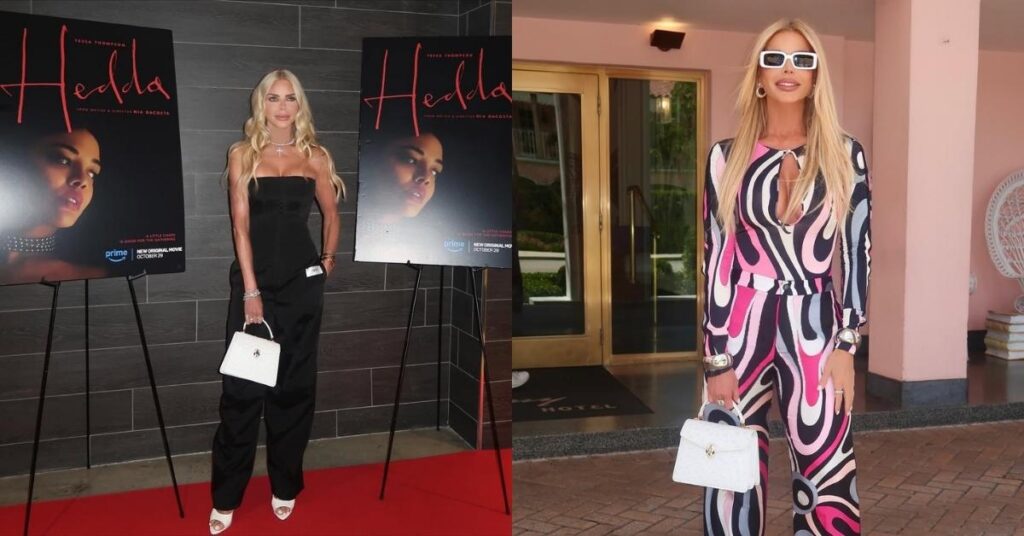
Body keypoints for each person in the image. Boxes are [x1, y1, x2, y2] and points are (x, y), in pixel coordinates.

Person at [699, 19, 871, 535]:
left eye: (802, 59)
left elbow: (856, 250)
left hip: (815, 326)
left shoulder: (844, 153)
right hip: (741, 325)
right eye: (774, 58)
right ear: (758, 75)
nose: (788, 69)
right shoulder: (726, 156)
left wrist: (848, 343)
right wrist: (716, 356)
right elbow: (717, 256)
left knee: (825, 469)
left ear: (816, 76)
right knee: (729, 475)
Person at [209, 69, 345, 534]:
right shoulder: (242, 154)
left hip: (302, 287)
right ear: (261, 104)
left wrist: (326, 261)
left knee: (294, 388)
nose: (282, 107)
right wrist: (251, 291)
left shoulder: (316, 156)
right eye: (273, 98)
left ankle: (285, 485)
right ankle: (227, 495)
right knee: (242, 392)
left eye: (289, 98)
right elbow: (239, 226)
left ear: (299, 104)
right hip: (255, 286)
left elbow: (331, 213)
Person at [0, 123, 107, 284]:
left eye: (91, 173)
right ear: (17, 158)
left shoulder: (95, 277)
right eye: (63, 160)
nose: (82, 180)